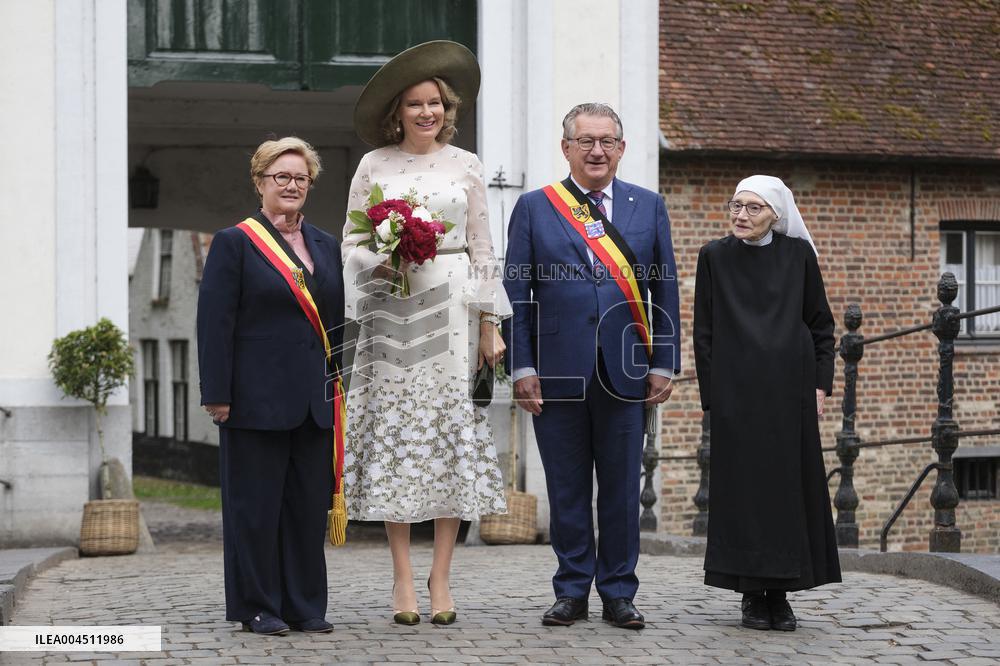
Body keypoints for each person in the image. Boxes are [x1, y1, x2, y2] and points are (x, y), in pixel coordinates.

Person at [341, 40, 510, 626]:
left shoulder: (467, 165)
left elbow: (486, 249)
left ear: (447, 108)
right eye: (414, 104)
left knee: (446, 435)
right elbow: (350, 242)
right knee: (398, 432)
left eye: (434, 102)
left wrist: (491, 323)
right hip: (393, 309)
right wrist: (379, 260)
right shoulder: (374, 166)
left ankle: (441, 575)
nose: (426, 112)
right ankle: (402, 578)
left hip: (455, 306)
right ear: (398, 111)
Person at [502, 103, 681, 629]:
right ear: (567, 148)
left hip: (627, 369)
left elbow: (663, 291)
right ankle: (572, 589)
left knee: (624, 488)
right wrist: (521, 367)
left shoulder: (647, 207)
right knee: (567, 486)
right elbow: (518, 293)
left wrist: (664, 362)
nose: (597, 150)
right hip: (556, 372)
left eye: (607, 141)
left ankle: (619, 592)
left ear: (621, 149)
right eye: (586, 141)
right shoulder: (536, 207)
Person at [197, 137, 344, 636]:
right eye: (281, 176)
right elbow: (215, 322)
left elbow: (337, 321)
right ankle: (257, 605)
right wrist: (217, 393)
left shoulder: (326, 245)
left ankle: (304, 605)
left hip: (314, 401)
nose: (292, 185)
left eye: (300, 178)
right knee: (254, 510)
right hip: (253, 399)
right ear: (260, 182)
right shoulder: (235, 242)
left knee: (306, 509)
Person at [693, 175, 841, 632]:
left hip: (790, 395)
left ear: (776, 215)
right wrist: (713, 396)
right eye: (736, 206)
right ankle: (752, 596)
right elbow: (705, 331)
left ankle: (781, 594)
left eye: (753, 208)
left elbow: (821, 326)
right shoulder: (713, 257)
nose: (741, 215)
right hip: (737, 395)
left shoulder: (798, 257)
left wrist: (819, 386)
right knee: (744, 495)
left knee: (785, 492)